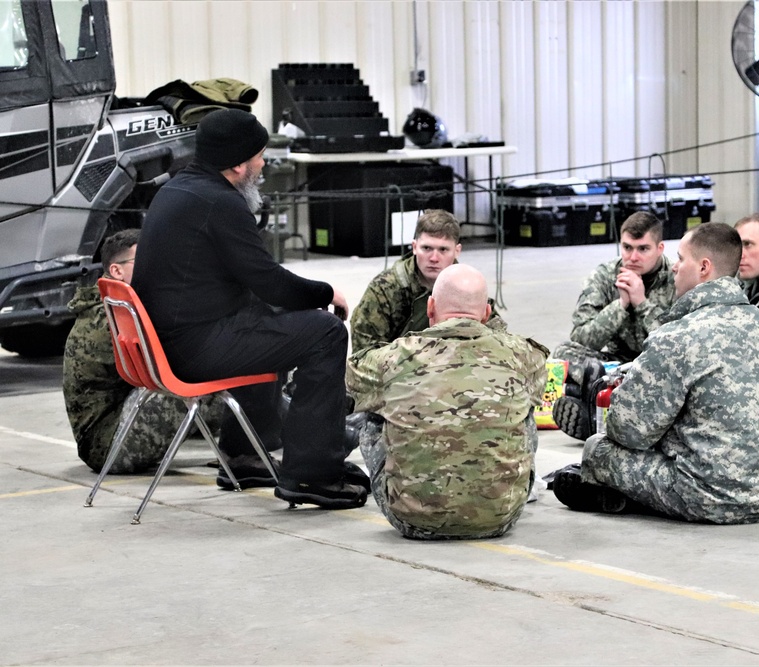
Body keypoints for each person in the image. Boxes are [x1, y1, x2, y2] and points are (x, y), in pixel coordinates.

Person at [131, 108, 368, 509]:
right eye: (259, 155)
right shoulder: (219, 203)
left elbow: (257, 285)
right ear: (239, 164)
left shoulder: (179, 190)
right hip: (192, 350)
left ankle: (245, 456)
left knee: (267, 316)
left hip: (167, 343)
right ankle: (312, 475)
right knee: (325, 332)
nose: (263, 164)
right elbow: (270, 280)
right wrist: (326, 292)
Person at [552, 223, 759, 524]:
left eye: (681, 259)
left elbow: (628, 431)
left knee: (598, 449)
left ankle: (628, 497)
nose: (675, 268)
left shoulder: (677, 335)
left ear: (703, 268)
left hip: (715, 497)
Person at [346, 264, 548, 539]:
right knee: (523, 405)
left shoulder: (392, 359)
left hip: (412, 520)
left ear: (430, 308)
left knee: (373, 411)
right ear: (487, 314)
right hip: (500, 518)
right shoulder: (524, 355)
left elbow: (351, 381)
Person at [63, 230, 223, 474]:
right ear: (117, 271)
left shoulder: (112, 302)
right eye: (148, 261)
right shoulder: (112, 316)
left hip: (109, 432)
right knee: (215, 374)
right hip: (110, 447)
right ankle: (246, 454)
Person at [551, 211, 676, 441]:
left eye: (643, 249)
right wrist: (620, 305)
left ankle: (595, 405)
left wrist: (642, 304)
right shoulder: (604, 275)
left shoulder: (676, 278)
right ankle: (611, 404)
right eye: (627, 248)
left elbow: (677, 343)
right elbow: (581, 336)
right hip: (617, 365)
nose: (633, 257)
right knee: (564, 353)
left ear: (660, 249)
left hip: (657, 365)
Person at [349, 209, 504, 358]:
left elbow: (499, 343)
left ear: (457, 251)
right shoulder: (385, 289)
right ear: (415, 247)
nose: (434, 258)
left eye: (443, 250)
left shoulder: (467, 285)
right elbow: (363, 355)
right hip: (401, 375)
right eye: (427, 248)